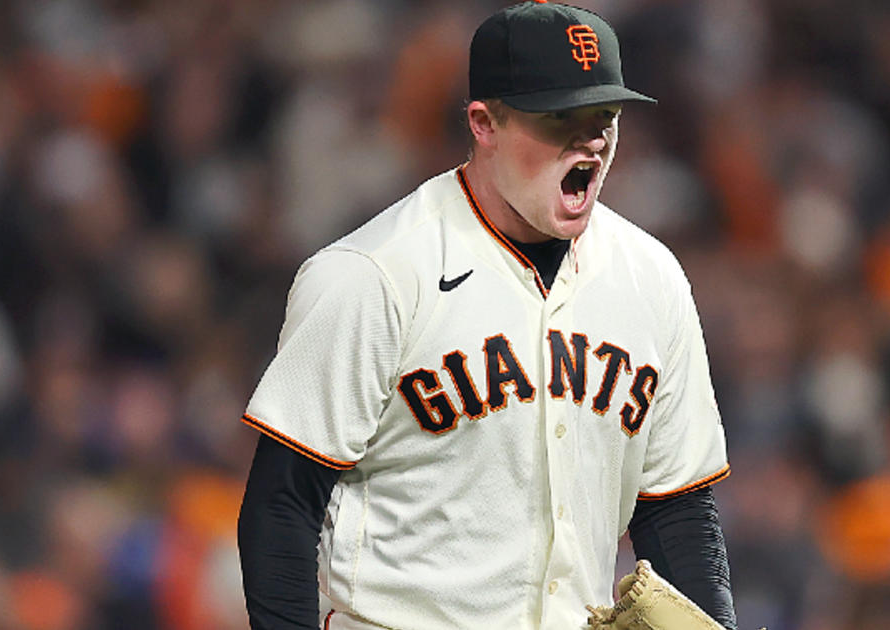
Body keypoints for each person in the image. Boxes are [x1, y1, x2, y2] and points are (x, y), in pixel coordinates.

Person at [237, 2, 737, 628]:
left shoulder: (652, 277)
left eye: (603, 116)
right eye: (560, 116)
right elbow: (282, 507)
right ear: (484, 122)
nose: (590, 140)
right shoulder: (375, 274)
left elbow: (678, 507)